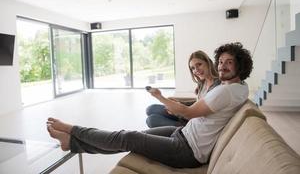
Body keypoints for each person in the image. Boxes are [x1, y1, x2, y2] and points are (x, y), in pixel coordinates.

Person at [47, 42, 253, 168]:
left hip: (187, 151)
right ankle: (71, 143)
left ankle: (72, 130)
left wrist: (160, 97)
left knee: (128, 137)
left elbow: (189, 113)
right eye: (221, 61)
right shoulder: (239, 87)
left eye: (229, 62)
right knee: (132, 135)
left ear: (239, 66)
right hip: (183, 134)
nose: (222, 66)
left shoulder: (226, 90)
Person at [146, 50, 220, 127]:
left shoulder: (216, 87)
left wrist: (177, 110)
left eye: (199, 64)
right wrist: (179, 103)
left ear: (208, 63)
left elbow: (195, 113)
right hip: (187, 115)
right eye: (193, 68)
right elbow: (198, 103)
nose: (196, 70)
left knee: (151, 120)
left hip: (192, 123)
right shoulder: (203, 82)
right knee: (150, 109)